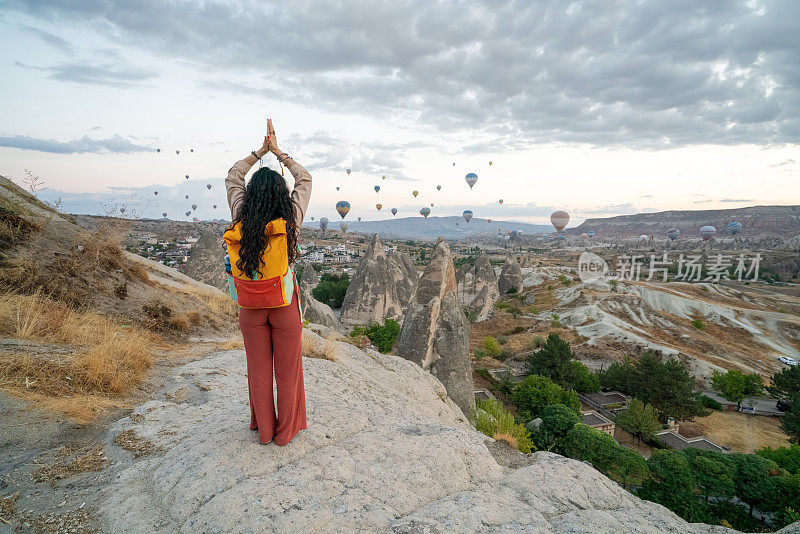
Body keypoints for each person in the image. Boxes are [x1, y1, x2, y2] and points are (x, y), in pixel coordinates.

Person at [223, 119, 311, 446]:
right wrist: (279, 154)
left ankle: (265, 431)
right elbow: (305, 178)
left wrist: (258, 153)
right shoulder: (291, 217)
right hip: (284, 302)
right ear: (281, 193)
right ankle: (285, 434)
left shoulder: (239, 214)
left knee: (259, 372)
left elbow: (233, 175)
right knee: (287, 373)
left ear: (251, 195)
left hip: (250, 305)